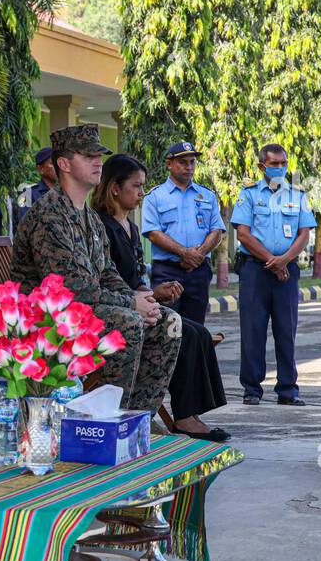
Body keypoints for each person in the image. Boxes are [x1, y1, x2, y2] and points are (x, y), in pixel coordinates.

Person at [11, 125, 180, 414]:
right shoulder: (50, 216)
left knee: (169, 322)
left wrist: (142, 301)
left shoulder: (87, 216)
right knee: (127, 322)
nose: (98, 161)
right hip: (48, 320)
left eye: (99, 155)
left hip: (84, 312)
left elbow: (107, 273)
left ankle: (139, 417)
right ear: (63, 164)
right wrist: (131, 303)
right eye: (88, 156)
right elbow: (71, 290)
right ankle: (106, 420)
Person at [92, 154, 229, 441]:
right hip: (116, 309)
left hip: (138, 302)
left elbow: (133, 280)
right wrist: (151, 295)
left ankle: (187, 414)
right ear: (115, 188)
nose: (141, 193)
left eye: (143, 186)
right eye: (136, 186)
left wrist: (154, 293)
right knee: (182, 331)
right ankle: (179, 417)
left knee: (198, 332)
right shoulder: (102, 226)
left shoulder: (128, 226)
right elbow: (106, 283)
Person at [231, 143, 316, 406]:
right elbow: (243, 232)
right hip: (256, 269)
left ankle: (288, 390)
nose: (279, 168)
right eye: (274, 164)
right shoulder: (249, 195)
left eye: (283, 163)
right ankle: (252, 389)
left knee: (286, 330)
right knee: (253, 330)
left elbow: (304, 232)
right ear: (261, 166)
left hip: (287, 271)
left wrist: (285, 260)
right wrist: (272, 260)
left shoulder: (297, 195)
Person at [141, 141, 225, 324]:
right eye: (183, 162)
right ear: (169, 164)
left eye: (192, 162)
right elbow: (153, 233)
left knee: (196, 326)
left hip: (199, 271)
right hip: (167, 272)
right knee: (166, 326)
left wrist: (198, 254)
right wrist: (185, 253)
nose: (189, 167)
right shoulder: (155, 197)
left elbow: (217, 230)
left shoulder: (207, 196)